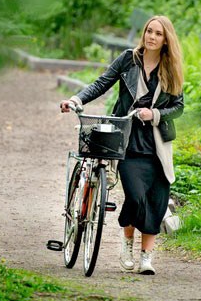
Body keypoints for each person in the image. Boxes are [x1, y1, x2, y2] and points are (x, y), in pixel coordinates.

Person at [60, 15, 184, 275]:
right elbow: (101, 83)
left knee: (157, 201)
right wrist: (76, 98)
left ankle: (146, 258)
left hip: (157, 143)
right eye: (149, 31)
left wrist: (156, 115)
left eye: (158, 34)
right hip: (127, 141)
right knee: (136, 197)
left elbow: (178, 106)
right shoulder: (129, 59)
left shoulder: (170, 68)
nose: (151, 36)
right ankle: (127, 242)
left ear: (165, 40)